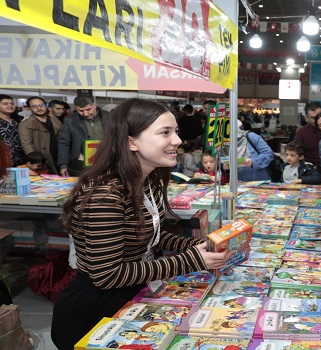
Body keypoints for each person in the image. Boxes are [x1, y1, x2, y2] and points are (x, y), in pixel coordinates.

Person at [51, 99, 234, 350]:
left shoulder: (146, 180)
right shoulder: (105, 195)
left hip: (134, 297)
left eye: (176, 132)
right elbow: (107, 275)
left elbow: (150, 236)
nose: (178, 141)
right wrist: (192, 259)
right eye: (165, 133)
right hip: (96, 314)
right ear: (131, 141)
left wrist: (199, 245)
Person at [58, 96, 110, 176]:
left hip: (106, 160)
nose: (85, 114)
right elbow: (63, 143)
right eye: (81, 111)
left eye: (88, 109)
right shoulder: (70, 120)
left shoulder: (109, 117)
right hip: (81, 163)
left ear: (94, 105)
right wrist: (63, 164)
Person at [17, 96, 62, 174]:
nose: (39, 108)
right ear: (29, 108)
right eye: (34, 106)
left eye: (41, 105)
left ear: (45, 105)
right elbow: (27, 144)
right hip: (42, 159)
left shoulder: (55, 120)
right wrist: (36, 161)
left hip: (58, 156)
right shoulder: (25, 124)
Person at [294, 102, 321, 168]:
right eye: (313, 118)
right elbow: (296, 154)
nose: (317, 120)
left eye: (320, 116)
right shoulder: (301, 133)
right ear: (307, 118)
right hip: (312, 171)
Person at [0, 94, 24, 166]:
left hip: (22, 160)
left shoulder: (19, 121)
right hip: (3, 161)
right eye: (5, 104)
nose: (10, 106)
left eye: (12, 103)